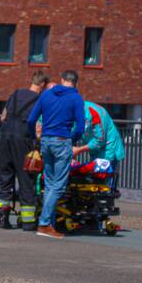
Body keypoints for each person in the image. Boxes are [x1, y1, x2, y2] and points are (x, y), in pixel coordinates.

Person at [27, 69, 86, 239]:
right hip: (62, 141)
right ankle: (44, 223)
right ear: (76, 82)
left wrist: (34, 137)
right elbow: (80, 127)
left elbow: (31, 120)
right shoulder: (76, 98)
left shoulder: (46, 94)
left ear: (62, 80)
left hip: (46, 141)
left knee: (50, 184)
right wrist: (72, 140)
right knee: (58, 186)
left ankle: (48, 224)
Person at [0, 70, 49, 230]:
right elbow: (38, 126)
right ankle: (28, 221)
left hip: (5, 138)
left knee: (5, 177)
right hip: (23, 141)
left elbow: (3, 117)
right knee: (26, 179)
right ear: (42, 85)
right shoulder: (39, 100)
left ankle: (2, 218)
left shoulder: (16, 94)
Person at [74, 101, 126, 169]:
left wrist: (78, 150)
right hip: (95, 151)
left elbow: (100, 140)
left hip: (108, 149)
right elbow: (72, 134)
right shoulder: (72, 112)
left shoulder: (93, 112)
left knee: (102, 173)